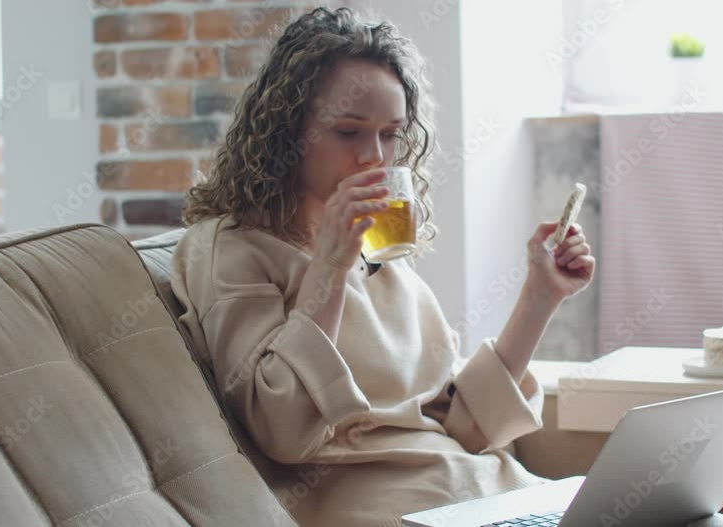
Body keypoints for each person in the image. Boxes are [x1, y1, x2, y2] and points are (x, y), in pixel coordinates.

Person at [170, 7, 594, 526]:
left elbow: (458, 425)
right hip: (387, 508)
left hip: (478, 493)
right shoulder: (230, 250)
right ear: (288, 133)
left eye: (390, 134)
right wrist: (328, 266)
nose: (375, 157)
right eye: (349, 132)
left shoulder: (379, 247)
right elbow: (280, 431)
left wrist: (540, 296)